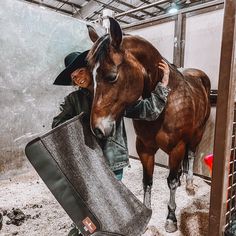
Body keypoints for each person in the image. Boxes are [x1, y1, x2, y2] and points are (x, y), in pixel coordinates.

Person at [52, 50, 170, 236]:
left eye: (79, 73)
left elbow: (149, 111)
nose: (77, 79)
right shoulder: (73, 100)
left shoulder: (115, 93)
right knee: (88, 203)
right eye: (73, 77)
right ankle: (82, 230)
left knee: (109, 203)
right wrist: (84, 121)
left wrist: (163, 84)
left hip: (112, 160)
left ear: (89, 69)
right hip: (87, 162)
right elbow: (57, 125)